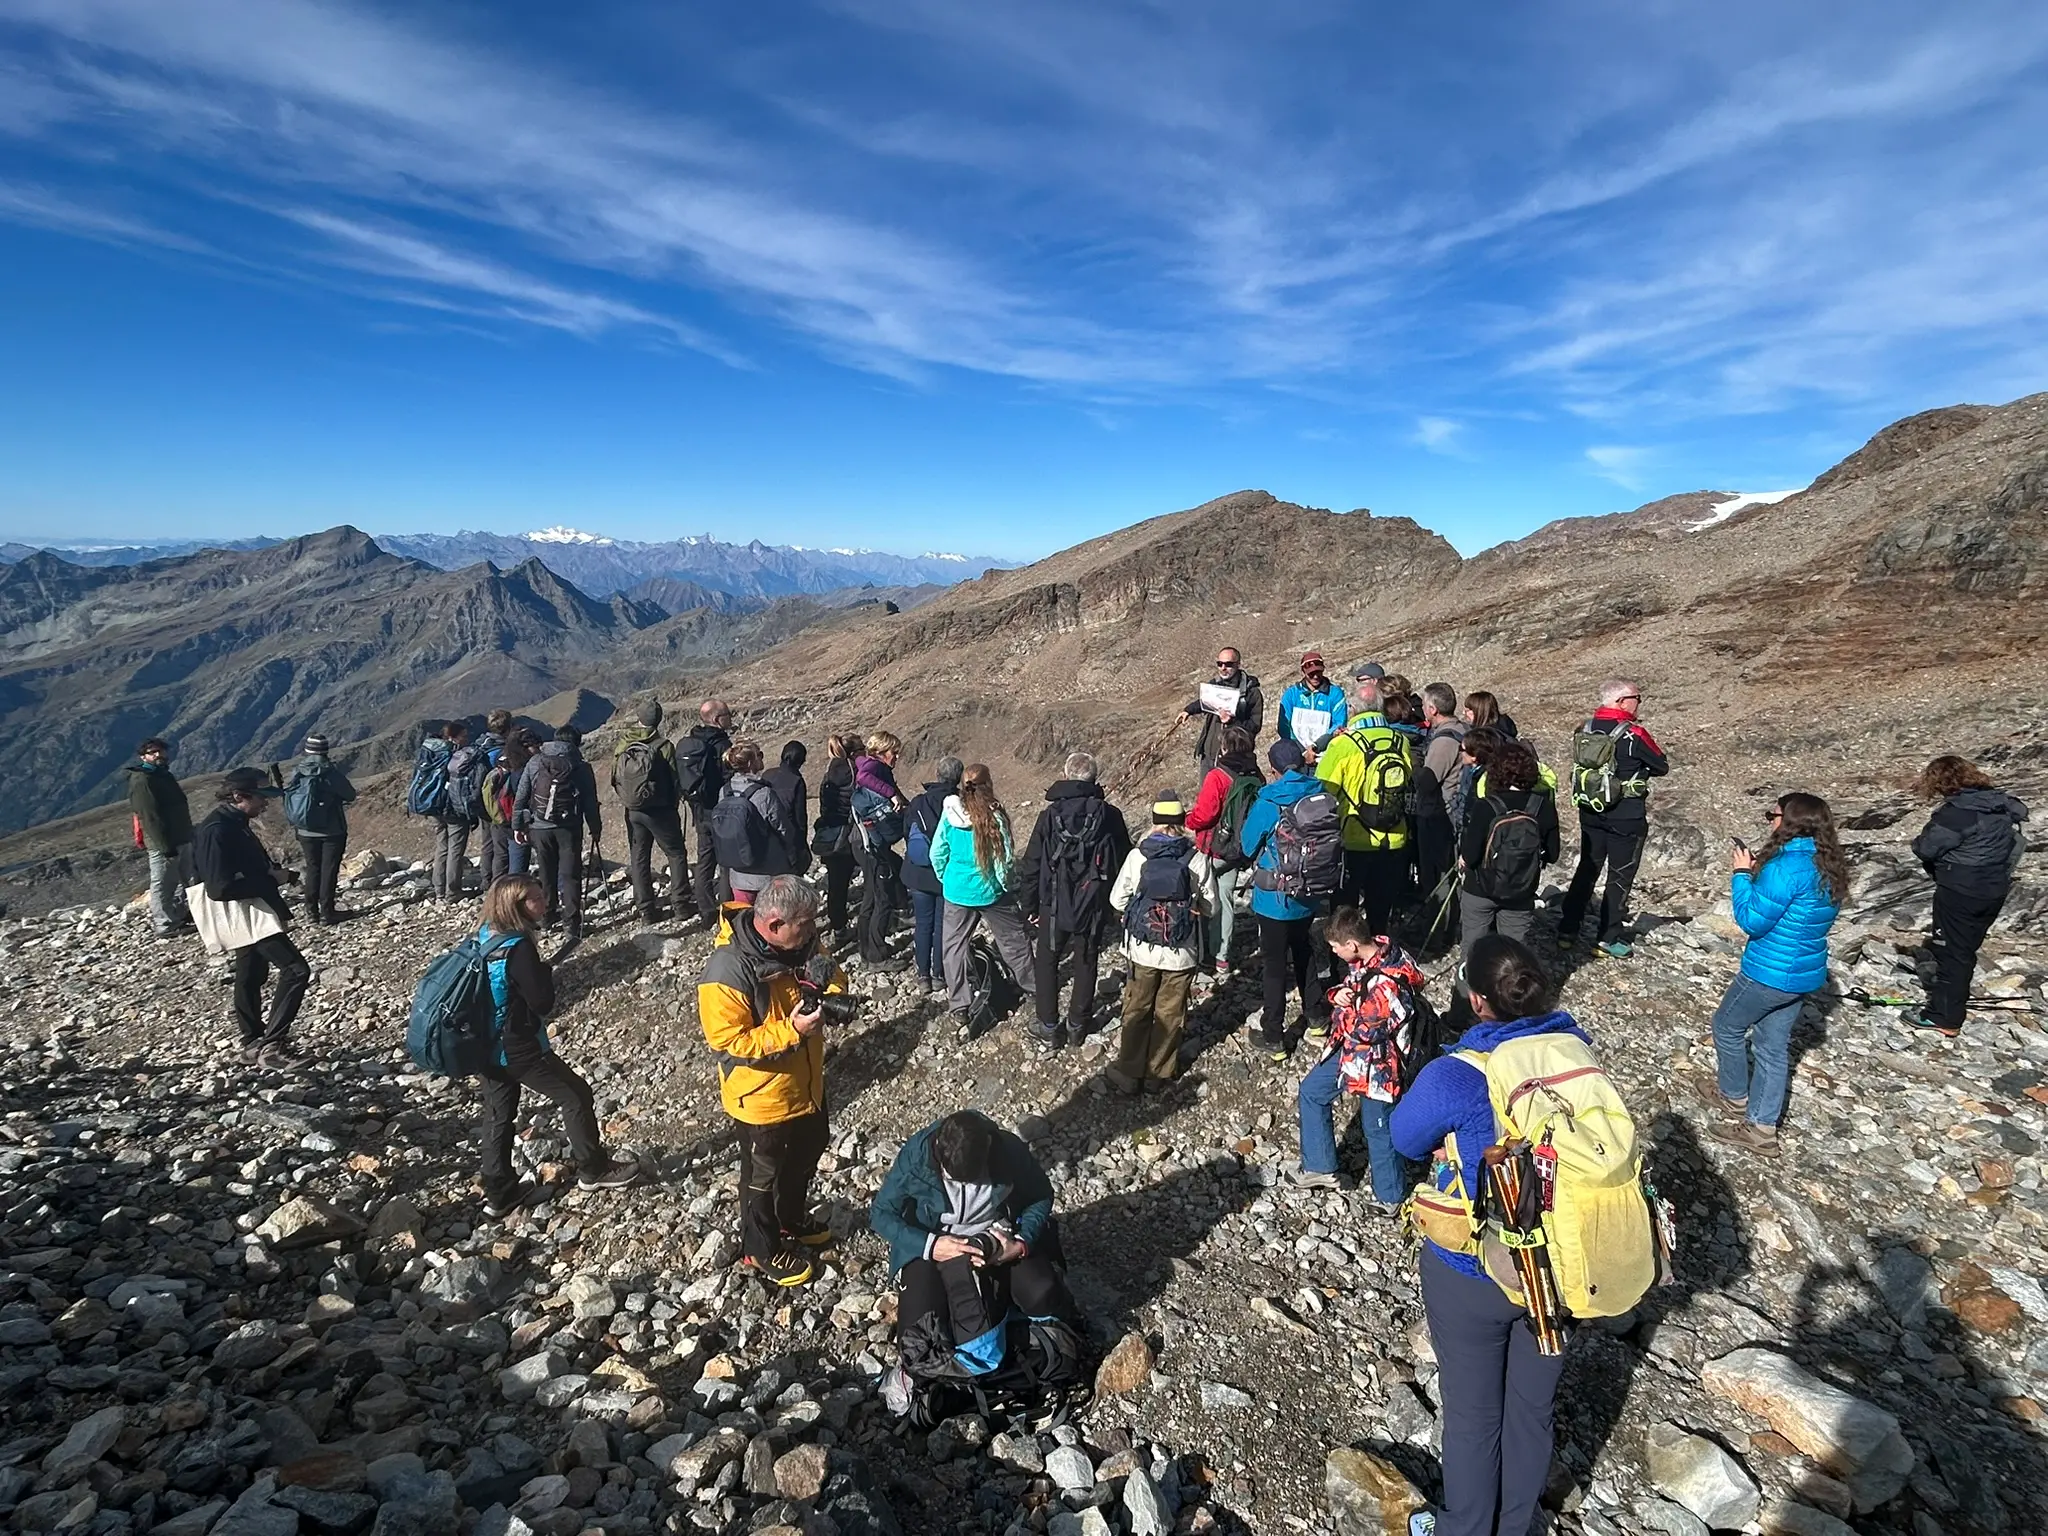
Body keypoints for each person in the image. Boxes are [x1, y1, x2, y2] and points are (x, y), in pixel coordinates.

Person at [1390, 935, 1577, 1536]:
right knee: (1531, 1411)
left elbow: (1404, 1137)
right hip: (1566, 1268)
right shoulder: (1574, 1051)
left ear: (1476, 1001)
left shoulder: (1459, 1073)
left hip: (1477, 1268)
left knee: (1473, 1416)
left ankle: (1464, 1529)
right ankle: (1515, 1525)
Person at [870, 1110, 1078, 1403]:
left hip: (996, 1239)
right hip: (932, 1244)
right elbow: (880, 1214)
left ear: (989, 1148)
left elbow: (1041, 1196)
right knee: (917, 1339)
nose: (964, 1186)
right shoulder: (916, 1156)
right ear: (939, 1150)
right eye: (951, 1177)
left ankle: (1016, 1339)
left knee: (1043, 1293)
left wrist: (1019, 1243)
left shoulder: (1008, 1151)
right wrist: (932, 1245)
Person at [697, 876, 844, 1287]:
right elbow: (728, 1042)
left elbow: (832, 973)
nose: (815, 930)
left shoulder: (802, 943)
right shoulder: (726, 970)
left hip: (807, 1085)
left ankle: (790, 1219)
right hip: (762, 1099)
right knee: (761, 1177)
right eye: (806, 922)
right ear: (775, 924)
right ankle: (760, 1249)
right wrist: (793, 1030)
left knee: (808, 1150)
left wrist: (826, 994)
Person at [472, 874, 640, 1216]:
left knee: (498, 1113)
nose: (544, 901)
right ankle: (594, 1170)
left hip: (483, 1043)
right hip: (518, 1046)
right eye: (535, 898)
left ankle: (499, 1192)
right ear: (518, 907)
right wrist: (542, 973)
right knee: (574, 1094)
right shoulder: (518, 949)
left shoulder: (485, 936)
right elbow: (543, 1002)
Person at [1698, 793, 1847, 1155]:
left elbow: (1751, 920)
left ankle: (1734, 1096)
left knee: (1727, 1027)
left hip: (1768, 970)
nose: (1769, 820)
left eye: (1773, 814)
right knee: (1772, 1046)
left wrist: (1740, 875)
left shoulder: (1785, 868)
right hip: (1803, 972)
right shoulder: (1828, 864)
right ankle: (1761, 1128)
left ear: (1790, 820)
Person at [1291, 906, 1427, 1203]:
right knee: (1312, 1091)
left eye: (1335, 947)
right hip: (1351, 1055)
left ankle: (1390, 1196)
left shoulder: (1383, 985)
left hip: (1380, 1065)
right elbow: (1353, 989)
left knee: (1377, 1129)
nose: (1334, 952)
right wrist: (1336, 994)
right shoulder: (1380, 951)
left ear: (1351, 944)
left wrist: (1343, 1008)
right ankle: (1319, 1165)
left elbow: (1366, 1032)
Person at [191, 768, 311, 1067]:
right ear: (238, 796)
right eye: (261, 797)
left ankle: (252, 1042)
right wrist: (273, 880)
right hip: (247, 912)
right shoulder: (217, 830)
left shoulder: (233, 823)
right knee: (296, 970)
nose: (265, 804)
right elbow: (219, 887)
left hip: (249, 908)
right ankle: (272, 1046)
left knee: (250, 974)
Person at [1015, 751, 1132, 1046]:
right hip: (1092, 903)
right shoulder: (1110, 815)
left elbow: (1032, 862)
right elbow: (1123, 859)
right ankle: (1078, 1025)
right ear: (1095, 779)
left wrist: (1029, 905)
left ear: (1066, 776)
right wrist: (1116, 903)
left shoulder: (1049, 817)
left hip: (1053, 903)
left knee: (1047, 961)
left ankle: (1048, 1026)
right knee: (1086, 959)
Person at [1909, 757, 2029, 1038]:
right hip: (1994, 888)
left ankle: (1943, 1017)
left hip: (1959, 890)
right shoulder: (2000, 804)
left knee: (1952, 953)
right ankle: (1952, 1004)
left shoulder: (1956, 813)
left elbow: (1926, 848)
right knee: (1965, 949)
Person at [1105, 794, 1215, 1093]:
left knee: (1136, 1008)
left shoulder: (1138, 856)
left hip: (1141, 949)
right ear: (1182, 823)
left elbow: (1117, 899)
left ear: (1154, 821)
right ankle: (1158, 1075)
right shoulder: (1196, 858)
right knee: (1170, 1013)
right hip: (1181, 952)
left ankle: (1129, 1072)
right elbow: (1211, 907)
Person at [1558, 679, 1669, 958]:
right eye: (1636, 697)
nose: (1638, 703)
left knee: (1588, 866)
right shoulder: (1634, 734)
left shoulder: (1584, 728)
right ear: (1621, 701)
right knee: (1620, 874)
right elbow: (1661, 765)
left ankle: (1567, 929)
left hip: (1590, 809)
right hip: (1626, 814)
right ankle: (1608, 937)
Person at [931, 763, 1038, 1032]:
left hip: (957, 891)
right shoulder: (995, 816)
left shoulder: (950, 813)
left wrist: (947, 878)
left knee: (953, 948)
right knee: (1014, 941)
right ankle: (1033, 986)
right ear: (988, 784)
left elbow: (937, 852)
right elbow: (1004, 862)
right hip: (990, 891)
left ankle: (959, 1004)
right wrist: (1004, 887)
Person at [1241, 740, 1329, 1063]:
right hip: (1309, 892)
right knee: (1304, 948)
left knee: (1275, 965)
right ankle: (1316, 1017)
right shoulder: (1320, 793)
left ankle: (1274, 1035)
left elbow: (1248, 845)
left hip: (1274, 898)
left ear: (1273, 770)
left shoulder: (1269, 801)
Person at [1314, 673, 1415, 937]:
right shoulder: (1399, 741)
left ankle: (1343, 964)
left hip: (1354, 837)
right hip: (1394, 835)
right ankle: (1379, 959)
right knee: (1380, 906)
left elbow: (1323, 791)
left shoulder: (1343, 745)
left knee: (1345, 907)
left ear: (1352, 710)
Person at [1458, 738, 1560, 962]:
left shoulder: (1486, 806)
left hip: (1480, 888)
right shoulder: (1543, 806)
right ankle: (1507, 995)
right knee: (1513, 956)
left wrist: (1464, 859)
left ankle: (1465, 996)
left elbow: (1471, 855)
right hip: (1521, 890)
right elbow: (1553, 854)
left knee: (1472, 952)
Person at [1186, 725, 1262, 980]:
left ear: (1224, 748)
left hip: (1214, 847)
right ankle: (1222, 957)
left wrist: (1189, 820)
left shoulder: (1217, 776)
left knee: (1204, 896)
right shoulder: (1255, 775)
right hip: (1238, 849)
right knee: (1226, 896)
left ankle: (1202, 952)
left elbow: (1205, 815)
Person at [515, 725, 602, 946]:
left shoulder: (536, 762)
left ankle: (546, 916)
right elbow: (590, 802)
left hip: (539, 828)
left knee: (546, 872)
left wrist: (518, 825)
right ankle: (572, 924)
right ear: (576, 742)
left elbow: (522, 795)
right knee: (570, 875)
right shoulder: (581, 766)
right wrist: (595, 827)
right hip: (569, 828)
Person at [611, 701, 694, 927]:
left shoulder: (624, 743)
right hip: (661, 811)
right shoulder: (664, 745)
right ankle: (681, 905)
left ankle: (646, 910)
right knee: (676, 854)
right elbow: (674, 778)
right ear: (659, 720)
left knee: (639, 858)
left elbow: (615, 776)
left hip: (633, 811)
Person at [901, 756, 964, 996]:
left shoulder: (918, 802)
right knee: (941, 925)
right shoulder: (961, 804)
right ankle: (939, 974)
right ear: (958, 777)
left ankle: (923, 976)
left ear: (937, 774)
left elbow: (906, 832)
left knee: (923, 924)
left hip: (918, 872)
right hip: (947, 873)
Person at [283, 733, 357, 925]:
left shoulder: (297, 771)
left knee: (313, 868)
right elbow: (350, 794)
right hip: (332, 831)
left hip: (305, 831)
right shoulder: (330, 773)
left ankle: (311, 912)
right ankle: (327, 912)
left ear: (307, 750)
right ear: (325, 751)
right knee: (329, 870)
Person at [717, 739, 802, 905]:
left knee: (745, 920)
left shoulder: (724, 791)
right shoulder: (764, 793)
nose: (762, 758)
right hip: (766, 872)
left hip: (737, 871)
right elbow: (783, 829)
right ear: (750, 762)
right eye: (759, 755)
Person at [851, 732, 910, 969]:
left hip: (863, 842)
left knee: (871, 896)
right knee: (881, 898)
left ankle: (866, 948)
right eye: (893, 753)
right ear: (882, 752)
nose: (896, 757)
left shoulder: (871, 765)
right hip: (870, 845)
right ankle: (877, 956)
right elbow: (865, 778)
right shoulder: (873, 768)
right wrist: (892, 794)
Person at [126, 737, 194, 938]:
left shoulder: (163, 775)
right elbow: (150, 816)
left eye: (161, 751)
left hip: (181, 836)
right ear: (143, 756)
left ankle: (181, 915)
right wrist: (164, 846)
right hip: (164, 843)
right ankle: (165, 924)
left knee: (186, 879)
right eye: (153, 752)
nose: (158, 755)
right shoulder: (143, 781)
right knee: (163, 883)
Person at [1412, 684, 1466, 936]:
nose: (1422, 709)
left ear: (1432, 709)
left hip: (1438, 815)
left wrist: (1411, 766)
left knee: (1437, 875)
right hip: (1447, 814)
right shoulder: (1461, 730)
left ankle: (1438, 931)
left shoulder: (1445, 740)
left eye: (1424, 704)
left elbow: (1427, 781)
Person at [681, 700, 736, 921]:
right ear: (716, 719)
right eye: (727, 715)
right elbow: (727, 777)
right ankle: (728, 911)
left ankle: (705, 910)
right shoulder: (722, 745)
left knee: (705, 860)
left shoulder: (692, 741)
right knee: (726, 863)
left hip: (700, 810)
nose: (730, 718)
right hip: (720, 810)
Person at [1181, 647, 1265, 775]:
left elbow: (1254, 726)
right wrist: (1188, 710)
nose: (1223, 668)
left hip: (1235, 758)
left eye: (1228, 664)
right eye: (1220, 664)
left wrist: (1232, 721)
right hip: (1209, 755)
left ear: (1238, 664)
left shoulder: (1251, 693)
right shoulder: (1215, 685)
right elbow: (1205, 702)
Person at [813, 733, 861, 945]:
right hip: (848, 834)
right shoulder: (854, 772)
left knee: (836, 885)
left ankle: (838, 926)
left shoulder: (830, 771)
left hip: (830, 832)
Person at [428, 721, 481, 901]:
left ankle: (439, 889)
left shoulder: (433, 752)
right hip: (453, 807)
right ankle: (452, 891)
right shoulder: (456, 755)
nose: (466, 740)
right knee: (455, 850)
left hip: (434, 806)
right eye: (463, 736)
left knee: (442, 847)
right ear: (453, 738)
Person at [479, 712, 527, 886]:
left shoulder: (481, 745)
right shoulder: (506, 750)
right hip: (504, 805)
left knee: (488, 844)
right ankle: (501, 887)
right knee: (503, 850)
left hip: (486, 803)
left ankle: (487, 881)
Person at [1276, 651, 1349, 746]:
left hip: (1327, 747)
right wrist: (1300, 749)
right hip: (1297, 748)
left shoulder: (1335, 693)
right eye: (1311, 673)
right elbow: (1284, 726)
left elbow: (1339, 723)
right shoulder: (1291, 694)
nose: (1315, 676)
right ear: (1303, 671)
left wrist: (1317, 746)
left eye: (1318, 672)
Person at [762, 741, 812, 875]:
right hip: (789, 831)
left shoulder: (767, 774)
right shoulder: (797, 780)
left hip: (767, 830)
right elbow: (800, 815)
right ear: (801, 760)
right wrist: (802, 843)